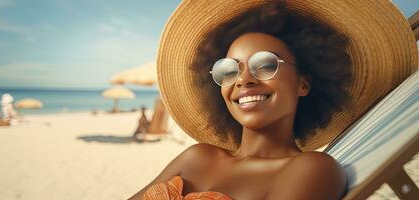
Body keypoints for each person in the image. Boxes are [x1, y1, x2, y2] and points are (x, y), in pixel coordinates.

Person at [128, 0, 417, 199]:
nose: (243, 80)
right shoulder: (197, 156)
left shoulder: (312, 169)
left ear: (303, 84)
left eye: (265, 65)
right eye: (229, 70)